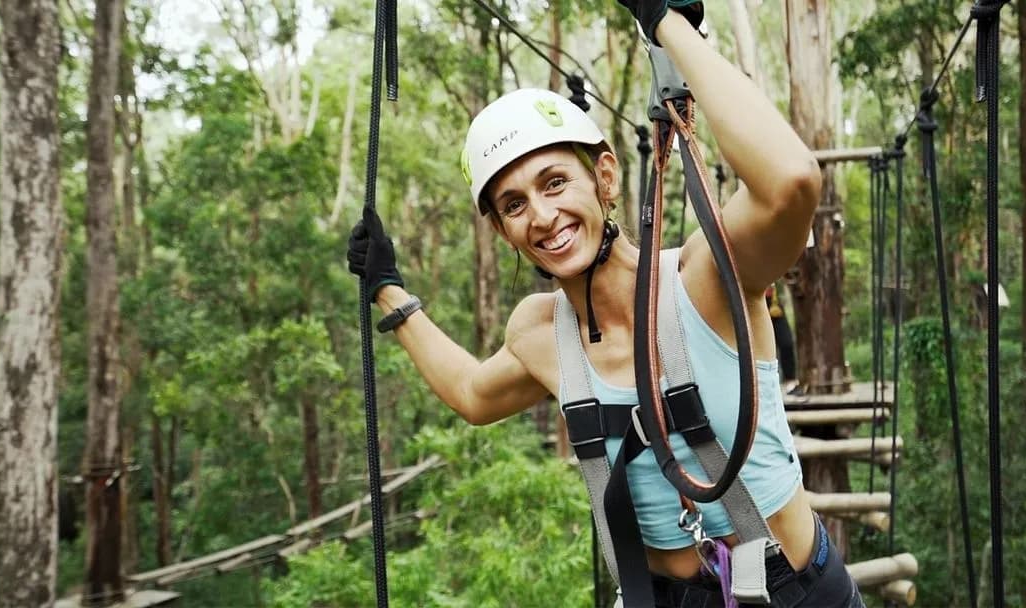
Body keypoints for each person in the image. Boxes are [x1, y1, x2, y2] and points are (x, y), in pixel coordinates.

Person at [349, 2, 864, 606]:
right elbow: (470, 393)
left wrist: (664, 20)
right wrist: (389, 288)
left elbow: (792, 182)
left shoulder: (705, 276)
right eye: (513, 205)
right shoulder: (541, 333)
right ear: (502, 231)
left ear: (606, 178)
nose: (542, 217)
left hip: (792, 592)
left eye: (555, 182)